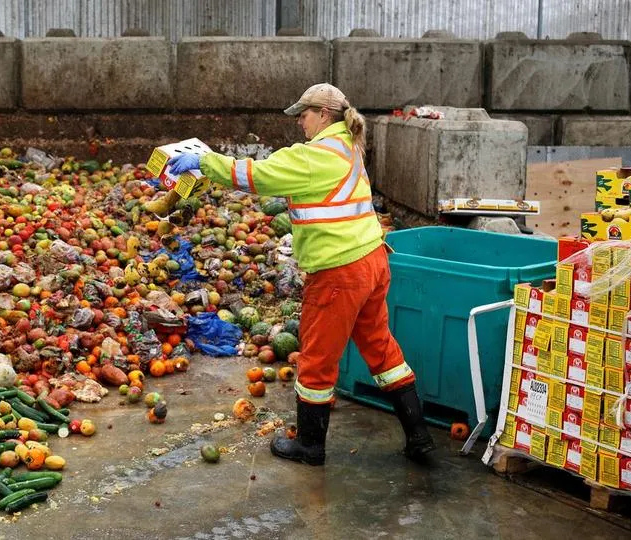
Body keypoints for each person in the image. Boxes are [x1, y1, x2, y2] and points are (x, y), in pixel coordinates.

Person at [166, 83, 435, 465]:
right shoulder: (349, 147)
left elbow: (258, 175)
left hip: (339, 271)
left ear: (324, 114)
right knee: (381, 349)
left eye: (303, 115)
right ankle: (419, 436)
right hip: (373, 260)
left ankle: (310, 446)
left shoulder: (316, 156)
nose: (300, 123)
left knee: (316, 359)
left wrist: (204, 162)